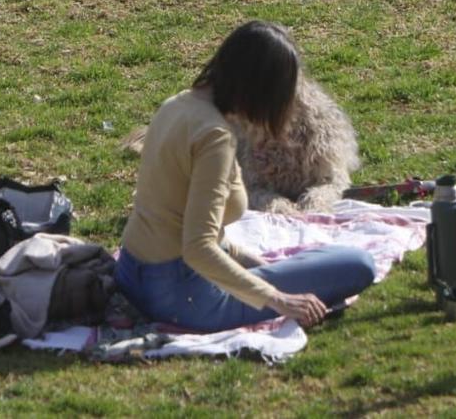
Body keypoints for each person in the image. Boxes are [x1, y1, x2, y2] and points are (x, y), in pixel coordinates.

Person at [115, 22, 379, 331]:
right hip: (181, 297)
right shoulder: (214, 137)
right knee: (356, 264)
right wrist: (279, 299)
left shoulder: (176, 105)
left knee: (319, 261)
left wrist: (260, 267)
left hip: (133, 276)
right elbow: (198, 248)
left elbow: (184, 225)